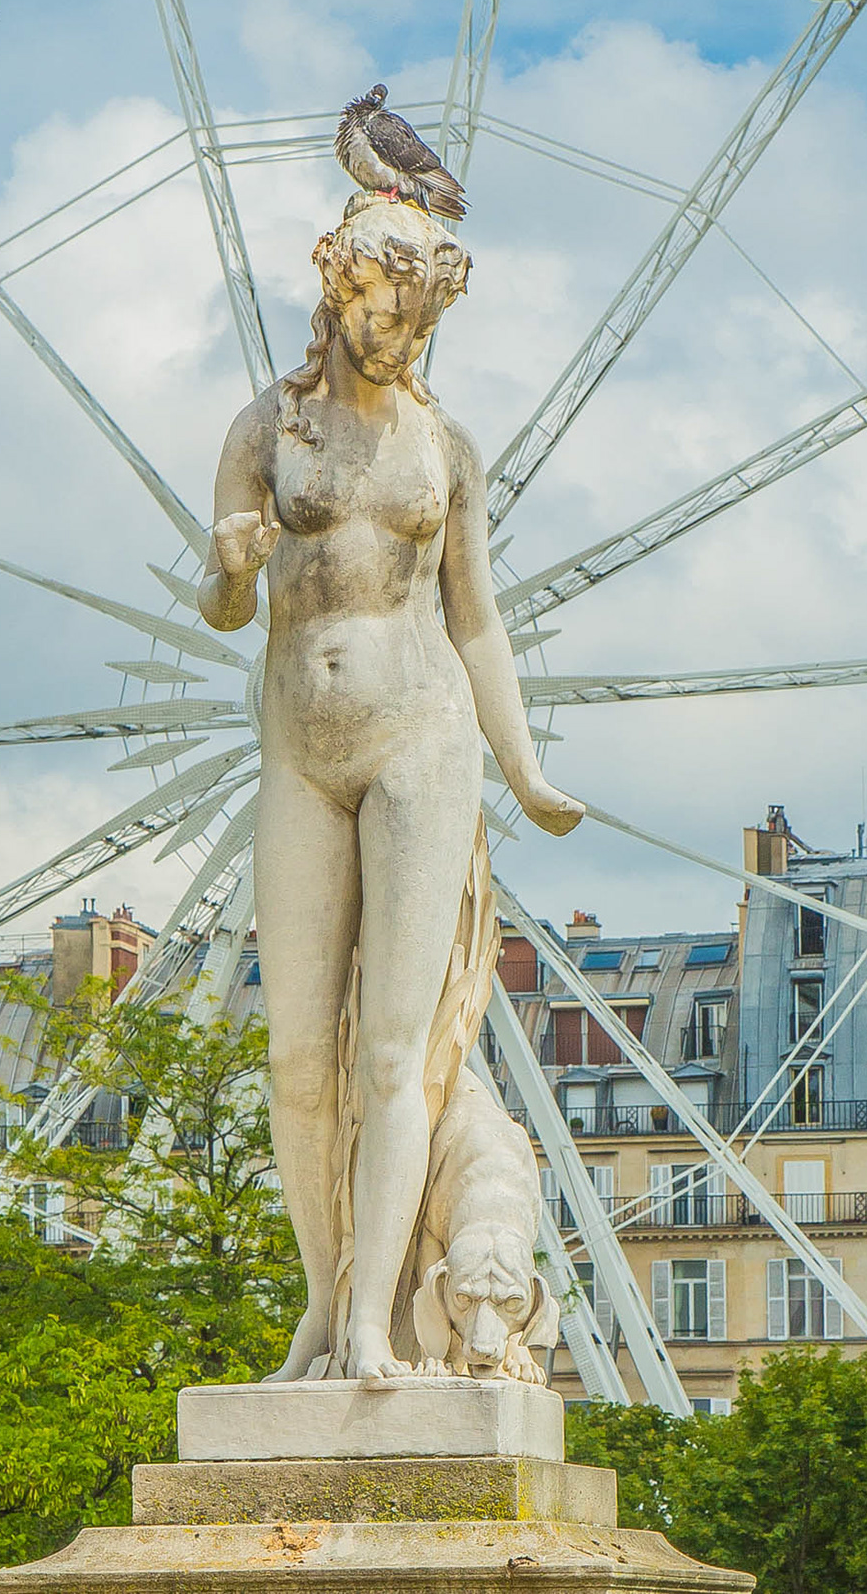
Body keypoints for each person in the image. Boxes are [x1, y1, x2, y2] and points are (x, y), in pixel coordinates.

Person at [199, 195, 582, 1383]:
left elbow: (475, 616)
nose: (395, 339)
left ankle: (371, 1319)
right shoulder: (263, 430)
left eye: (415, 324)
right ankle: (322, 1304)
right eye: (378, 313)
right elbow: (225, 605)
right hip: (302, 753)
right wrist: (225, 571)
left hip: (421, 736)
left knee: (395, 1055)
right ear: (337, 286)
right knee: (297, 1059)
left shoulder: (446, 449)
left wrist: (522, 767)